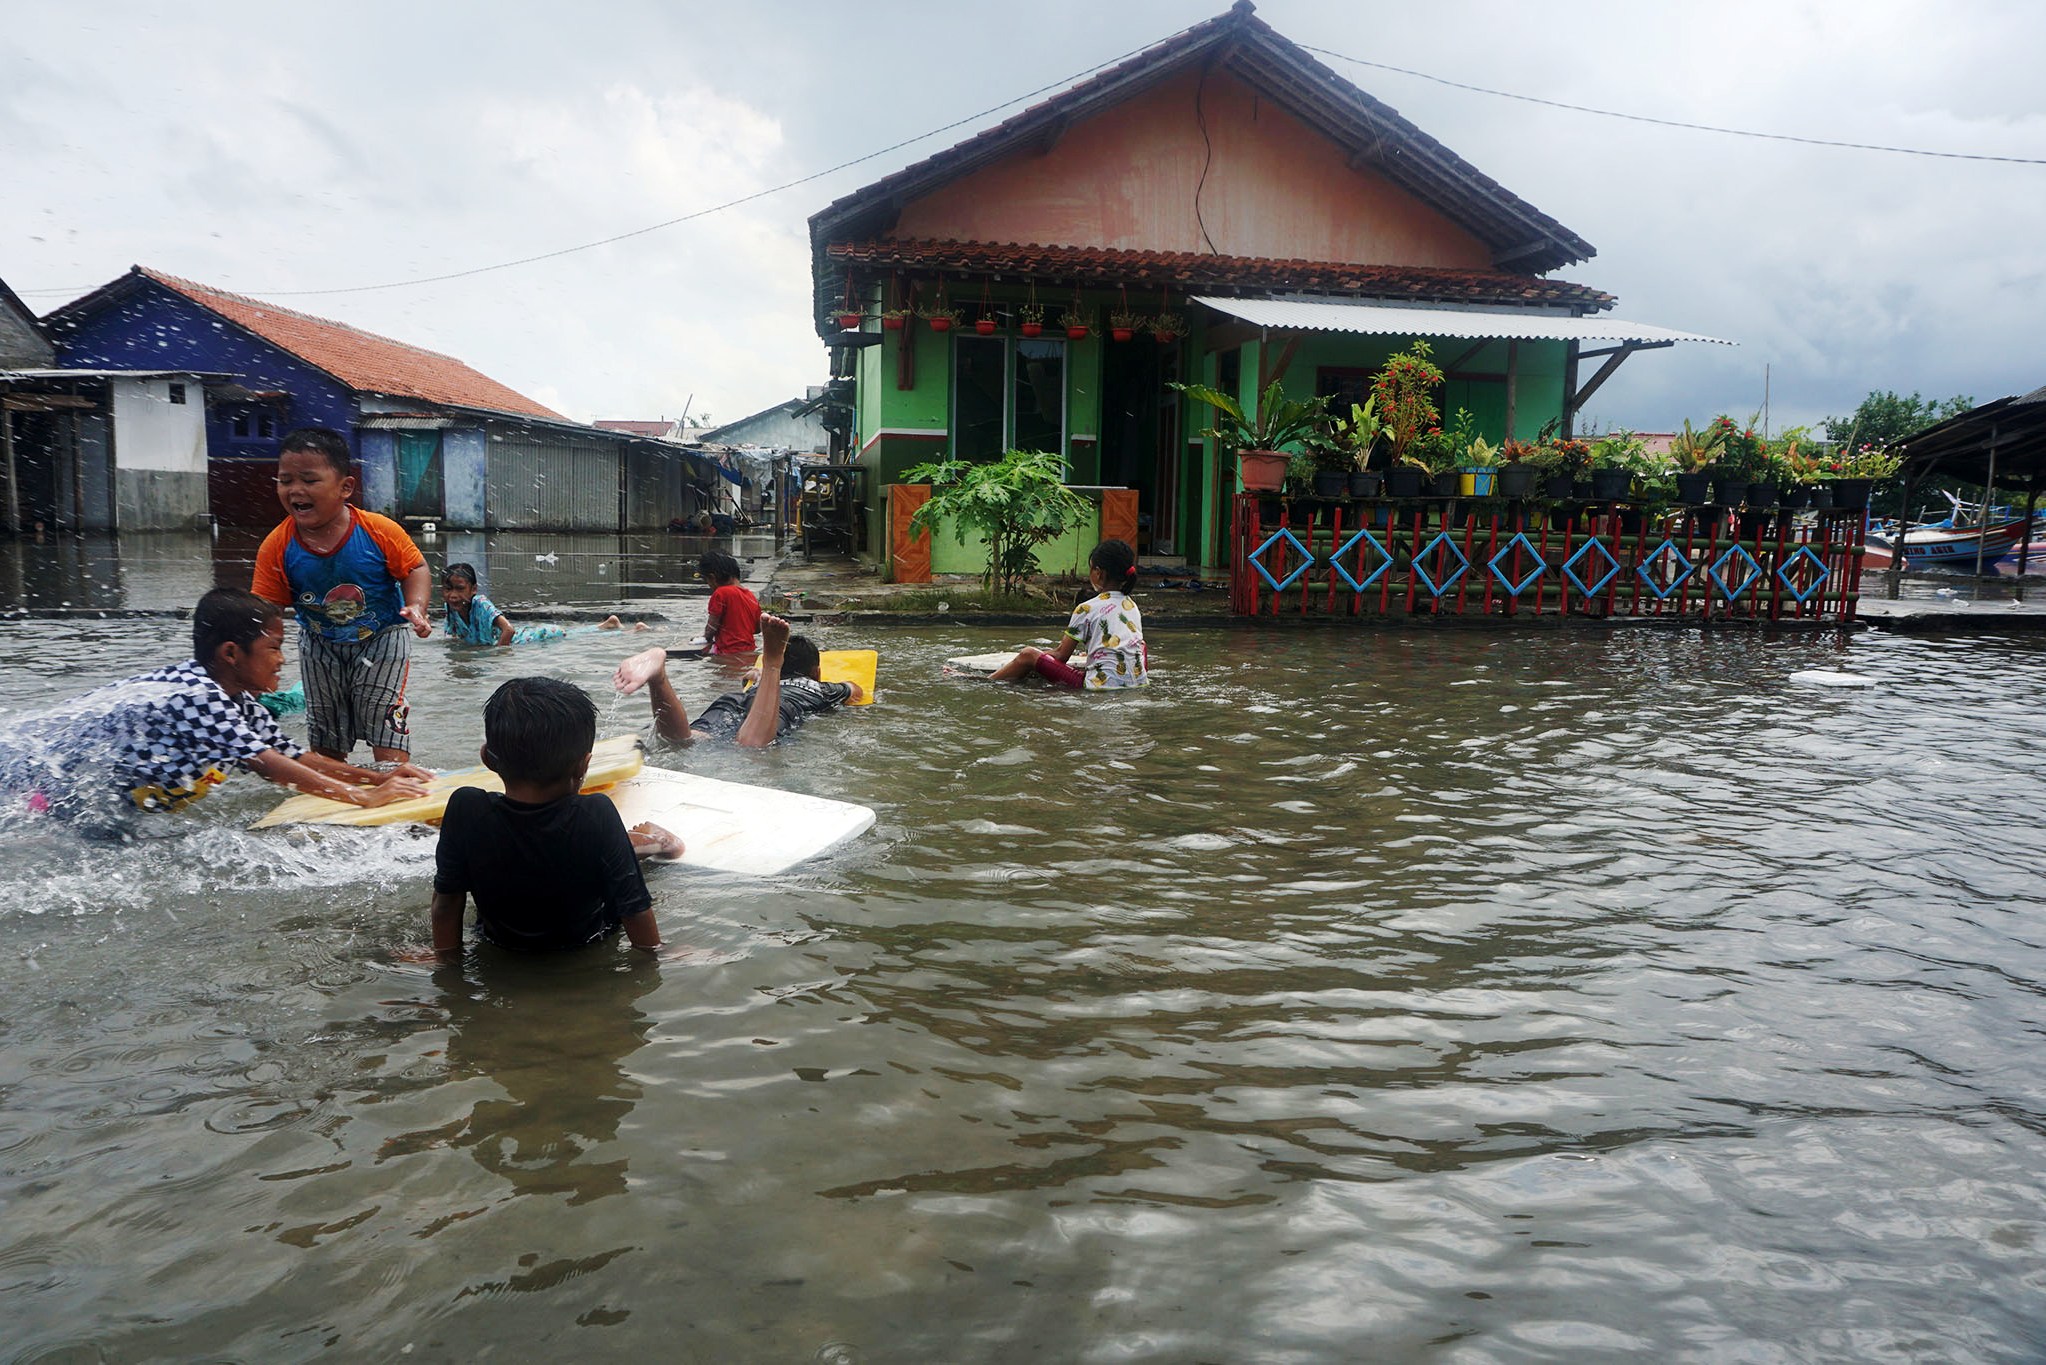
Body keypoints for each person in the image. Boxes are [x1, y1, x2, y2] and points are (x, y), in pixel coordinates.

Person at [1, 588, 429, 821]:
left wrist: (378, 777)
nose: (282, 660)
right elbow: (267, 765)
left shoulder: (239, 702)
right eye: (274, 647)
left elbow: (292, 755)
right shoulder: (198, 695)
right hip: (40, 792)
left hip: (95, 798)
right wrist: (363, 798)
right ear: (231, 654)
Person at [430, 676, 683, 958]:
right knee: (611, 850)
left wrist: (445, 961)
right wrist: (657, 952)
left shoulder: (466, 808)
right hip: (586, 941)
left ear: (487, 759)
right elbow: (635, 909)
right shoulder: (595, 814)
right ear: (584, 766)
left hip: (499, 942)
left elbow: (446, 902)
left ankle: (645, 841)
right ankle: (655, 841)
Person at [252, 426, 432, 765]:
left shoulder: (378, 531)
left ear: (345, 487)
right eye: (285, 480)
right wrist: (261, 657)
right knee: (325, 722)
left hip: (382, 637)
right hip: (318, 642)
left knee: (381, 709)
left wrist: (416, 606)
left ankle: (394, 775)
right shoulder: (277, 546)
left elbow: (415, 568)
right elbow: (267, 611)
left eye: (309, 480)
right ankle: (334, 781)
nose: (295, 490)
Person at [613, 614, 861, 748]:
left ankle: (659, 678)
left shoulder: (756, 681)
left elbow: (748, 677)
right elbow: (854, 689)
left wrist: (757, 676)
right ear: (816, 672)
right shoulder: (816, 687)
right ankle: (773, 661)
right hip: (780, 706)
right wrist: (840, 687)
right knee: (753, 746)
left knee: (685, 740)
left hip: (736, 700)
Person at [988, 539, 1149, 689]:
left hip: (1099, 686)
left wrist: (1038, 657)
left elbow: (1061, 655)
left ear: (1098, 572)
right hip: (1139, 682)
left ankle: (985, 682)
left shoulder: (1086, 608)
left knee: (1028, 654)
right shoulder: (1132, 606)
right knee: (1141, 645)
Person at [439, 562, 643, 646]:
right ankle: (607, 625)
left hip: (528, 639)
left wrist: (497, 653)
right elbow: (455, 634)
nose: (453, 595)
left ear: (473, 589)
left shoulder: (481, 603)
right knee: (573, 634)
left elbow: (508, 630)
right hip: (521, 637)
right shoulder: (451, 607)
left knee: (573, 636)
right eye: (448, 589)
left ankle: (630, 632)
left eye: (459, 589)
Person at [695, 549, 760, 655]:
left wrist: (705, 638)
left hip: (727, 652)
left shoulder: (721, 593)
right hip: (749, 651)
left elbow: (712, 626)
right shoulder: (751, 596)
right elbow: (757, 629)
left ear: (712, 577)